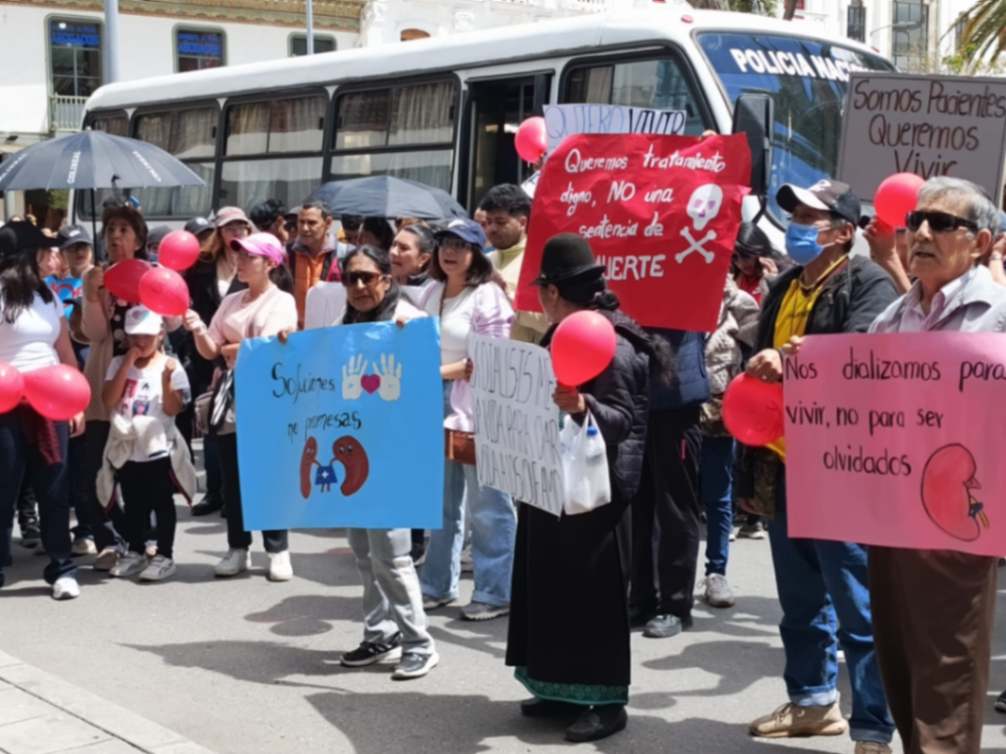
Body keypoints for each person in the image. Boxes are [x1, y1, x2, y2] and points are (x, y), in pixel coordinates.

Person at [738, 179, 896, 753]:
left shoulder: (867, 283)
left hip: (839, 466)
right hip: (781, 465)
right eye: (796, 214)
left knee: (857, 608)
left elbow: (866, 354)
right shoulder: (784, 286)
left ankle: (875, 728)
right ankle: (811, 702)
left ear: (844, 233)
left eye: (812, 216)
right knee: (801, 601)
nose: (799, 224)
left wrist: (794, 358)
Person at [866, 177, 1005, 754]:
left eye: (942, 224)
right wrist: (797, 365)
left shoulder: (995, 318)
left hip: (958, 521)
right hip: (892, 516)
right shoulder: (895, 316)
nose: (921, 233)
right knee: (899, 659)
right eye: (916, 221)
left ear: (979, 243)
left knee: (946, 668)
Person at [506, 234, 656, 743]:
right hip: (553, 480)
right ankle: (555, 685)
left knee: (593, 594)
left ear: (553, 291)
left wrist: (581, 408)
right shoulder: (560, 332)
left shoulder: (610, 339)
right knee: (549, 581)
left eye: (541, 289)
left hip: (598, 490)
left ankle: (606, 699)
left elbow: (623, 419)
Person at [297, 245, 439, 680]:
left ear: (386, 279)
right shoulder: (345, 326)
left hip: (393, 456)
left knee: (391, 555)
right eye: (350, 278)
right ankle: (379, 634)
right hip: (353, 454)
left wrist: (406, 348)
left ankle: (419, 642)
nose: (358, 286)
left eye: (366, 277)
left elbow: (424, 387)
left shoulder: (411, 324)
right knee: (363, 552)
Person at [417, 218, 516, 621]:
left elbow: (487, 361)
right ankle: (436, 585)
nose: (450, 251)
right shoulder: (430, 291)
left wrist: (437, 373)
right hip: (431, 404)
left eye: (461, 244)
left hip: (480, 408)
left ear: (477, 252)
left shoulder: (489, 295)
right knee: (439, 502)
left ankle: (494, 592)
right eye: (444, 243)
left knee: (489, 504)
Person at [183, 232, 297, 581]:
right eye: (239, 255)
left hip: (269, 394)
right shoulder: (231, 301)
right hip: (232, 394)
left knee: (268, 473)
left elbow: (268, 347)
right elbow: (210, 350)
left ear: (270, 263)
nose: (241, 261)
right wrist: (199, 329)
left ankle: (278, 549)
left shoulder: (282, 301)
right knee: (233, 474)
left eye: (250, 256)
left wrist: (230, 349)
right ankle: (238, 547)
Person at [0, 220, 84, 599]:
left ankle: (62, 566)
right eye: (44, 249)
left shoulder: (48, 296)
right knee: (4, 488)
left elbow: (63, 349)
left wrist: (76, 400)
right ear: (26, 254)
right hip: (6, 404)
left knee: (54, 486)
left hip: (49, 403)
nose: (51, 255)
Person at [100, 306, 194, 582]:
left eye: (147, 336)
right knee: (133, 501)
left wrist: (166, 380)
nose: (140, 342)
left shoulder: (170, 365)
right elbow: (108, 400)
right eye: (134, 336)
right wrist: (128, 361)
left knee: (161, 501)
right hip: (128, 445)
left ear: (161, 334)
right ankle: (137, 550)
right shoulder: (119, 363)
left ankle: (165, 554)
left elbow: (174, 408)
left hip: (158, 447)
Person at [81, 203, 150, 571]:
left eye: (124, 230)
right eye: (110, 230)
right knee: (95, 466)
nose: (115, 237)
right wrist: (93, 296)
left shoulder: (152, 276)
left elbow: (169, 325)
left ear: (138, 240)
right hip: (103, 382)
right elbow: (94, 333)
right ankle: (108, 538)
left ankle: (143, 537)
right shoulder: (96, 278)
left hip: (142, 385)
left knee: (140, 468)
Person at [181, 208, 253, 517]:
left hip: (245, 355)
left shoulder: (258, 262)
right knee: (212, 420)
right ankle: (215, 491)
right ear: (219, 233)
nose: (236, 232)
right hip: (208, 350)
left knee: (243, 425)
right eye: (229, 227)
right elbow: (190, 303)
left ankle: (241, 491)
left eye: (241, 226)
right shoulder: (201, 267)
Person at [698, 271, 758, 607]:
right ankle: (666, 577)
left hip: (720, 415)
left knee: (718, 495)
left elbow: (756, 354)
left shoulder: (740, 304)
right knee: (673, 499)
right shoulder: (675, 295)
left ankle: (716, 572)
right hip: (678, 410)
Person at [48, 224, 94, 555]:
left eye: (84, 246)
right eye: (72, 247)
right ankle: (65, 526)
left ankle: (93, 527)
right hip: (58, 373)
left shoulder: (100, 282)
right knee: (65, 453)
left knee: (91, 454)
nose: (79, 252)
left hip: (94, 367)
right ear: (60, 253)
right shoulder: (47, 288)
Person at [478, 184, 548, 343]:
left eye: (500, 222)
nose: (492, 228)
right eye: (488, 222)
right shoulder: (485, 261)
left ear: (522, 223)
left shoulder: (540, 261)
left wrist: (506, 295)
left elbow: (551, 321)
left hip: (525, 362)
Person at [289, 202, 340, 328]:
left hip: (331, 332)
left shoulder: (344, 254)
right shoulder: (287, 253)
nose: (305, 228)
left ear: (328, 223)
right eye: (301, 222)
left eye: (311, 223)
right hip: (295, 333)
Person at [732, 222, 779, 305]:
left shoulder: (780, 277)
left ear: (760, 251)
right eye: (735, 257)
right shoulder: (733, 275)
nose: (741, 263)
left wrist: (773, 285)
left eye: (745, 255)